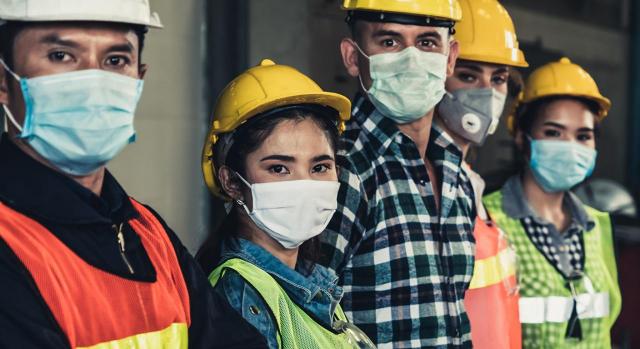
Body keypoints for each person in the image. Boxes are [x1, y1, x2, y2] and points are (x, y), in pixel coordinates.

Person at [0, 1, 266, 348]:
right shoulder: (11, 243)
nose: (94, 83)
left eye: (115, 60)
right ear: (4, 80)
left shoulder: (146, 230)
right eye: (61, 55)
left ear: (139, 79)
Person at [320, 1, 478, 347]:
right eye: (389, 42)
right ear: (352, 56)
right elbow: (306, 312)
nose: (411, 59)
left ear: (450, 58)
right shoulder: (343, 170)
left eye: (426, 42)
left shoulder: (454, 171)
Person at [197, 59, 376, 349]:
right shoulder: (241, 295)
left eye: (319, 167)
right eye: (279, 168)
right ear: (232, 182)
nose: (304, 184)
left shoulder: (314, 284)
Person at [483, 58, 622, 348]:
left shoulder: (596, 225)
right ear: (522, 138)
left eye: (583, 136)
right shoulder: (487, 219)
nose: (570, 146)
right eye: (553, 133)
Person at [434, 0, 528, 347]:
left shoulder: (469, 180)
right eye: (469, 75)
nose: (487, 92)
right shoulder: (425, 179)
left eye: (499, 78)